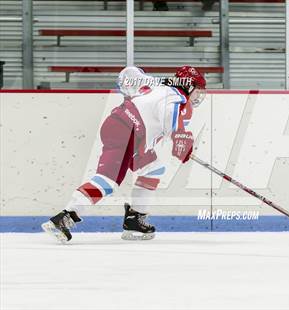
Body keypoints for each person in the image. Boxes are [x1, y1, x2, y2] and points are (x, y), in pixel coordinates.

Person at [41, 65, 207, 243]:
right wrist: (181, 141)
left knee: (153, 169)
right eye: (198, 90)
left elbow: (128, 74)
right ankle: (65, 217)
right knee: (107, 181)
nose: (198, 96)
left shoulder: (156, 85)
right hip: (128, 133)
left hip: (124, 129)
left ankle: (135, 219)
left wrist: (181, 142)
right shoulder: (177, 98)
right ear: (189, 86)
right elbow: (172, 121)